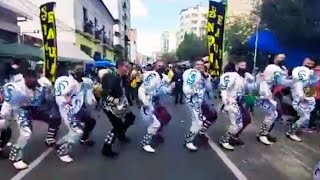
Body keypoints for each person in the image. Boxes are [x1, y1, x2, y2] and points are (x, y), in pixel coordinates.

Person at [1, 70, 39, 169]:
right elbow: (7, 105)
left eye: (35, 79)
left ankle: (15, 157)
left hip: (21, 111)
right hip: (8, 110)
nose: (33, 81)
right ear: (25, 78)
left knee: (26, 133)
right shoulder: (17, 88)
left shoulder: (35, 86)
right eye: (31, 79)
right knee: (5, 128)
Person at [100, 60, 135, 157]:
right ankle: (106, 148)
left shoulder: (121, 77)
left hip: (121, 104)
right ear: (120, 66)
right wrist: (113, 100)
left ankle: (121, 134)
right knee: (117, 127)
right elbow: (103, 93)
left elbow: (123, 90)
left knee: (130, 118)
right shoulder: (112, 77)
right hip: (109, 106)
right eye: (126, 67)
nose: (128, 69)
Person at [219, 57, 255, 150]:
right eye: (241, 65)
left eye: (244, 65)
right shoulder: (231, 75)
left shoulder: (241, 77)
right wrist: (225, 100)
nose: (244, 67)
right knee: (236, 125)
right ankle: (225, 140)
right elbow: (224, 88)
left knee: (242, 122)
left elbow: (250, 87)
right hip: (231, 103)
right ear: (235, 66)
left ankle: (230, 137)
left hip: (237, 103)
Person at [139, 60, 173, 153]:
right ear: (155, 66)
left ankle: (156, 132)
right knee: (156, 124)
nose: (160, 67)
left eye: (162, 66)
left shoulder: (165, 78)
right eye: (158, 66)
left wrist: (171, 88)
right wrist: (145, 101)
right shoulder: (152, 75)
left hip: (158, 105)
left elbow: (165, 91)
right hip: (149, 105)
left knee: (166, 117)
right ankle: (145, 143)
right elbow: (141, 89)